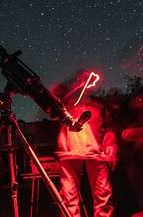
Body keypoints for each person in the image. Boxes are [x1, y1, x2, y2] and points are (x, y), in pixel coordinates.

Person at [52, 70, 118, 217]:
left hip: (95, 153)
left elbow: (110, 126)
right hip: (68, 152)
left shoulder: (98, 103)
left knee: (103, 196)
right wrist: (75, 86)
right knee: (69, 198)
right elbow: (53, 103)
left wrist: (111, 141)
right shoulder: (65, 101)